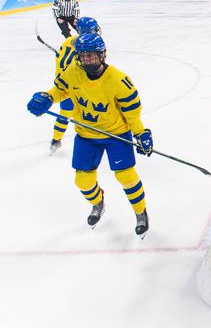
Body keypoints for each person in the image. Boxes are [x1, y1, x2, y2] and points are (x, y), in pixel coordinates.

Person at [27, 34, 152, 237]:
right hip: (86, 135)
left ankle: (141, 213)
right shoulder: (73, 72)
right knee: (82, 182)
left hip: (116, 135)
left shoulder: (119, 81)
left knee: (126, 176)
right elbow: (60, 90)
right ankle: (98, 203)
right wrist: (47, 97)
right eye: (83, 56)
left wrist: (141, 133)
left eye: (92, 56)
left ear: (102, 55)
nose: (88, 60)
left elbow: (132, 113)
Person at [49, 17, 102, 155]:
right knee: (93, 114)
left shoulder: (67, 41)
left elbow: (59, 59)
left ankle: (55, 141)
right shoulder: (87, 48)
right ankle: (95, 143)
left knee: (64, 115)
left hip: (62, 85)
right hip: (78, 87)